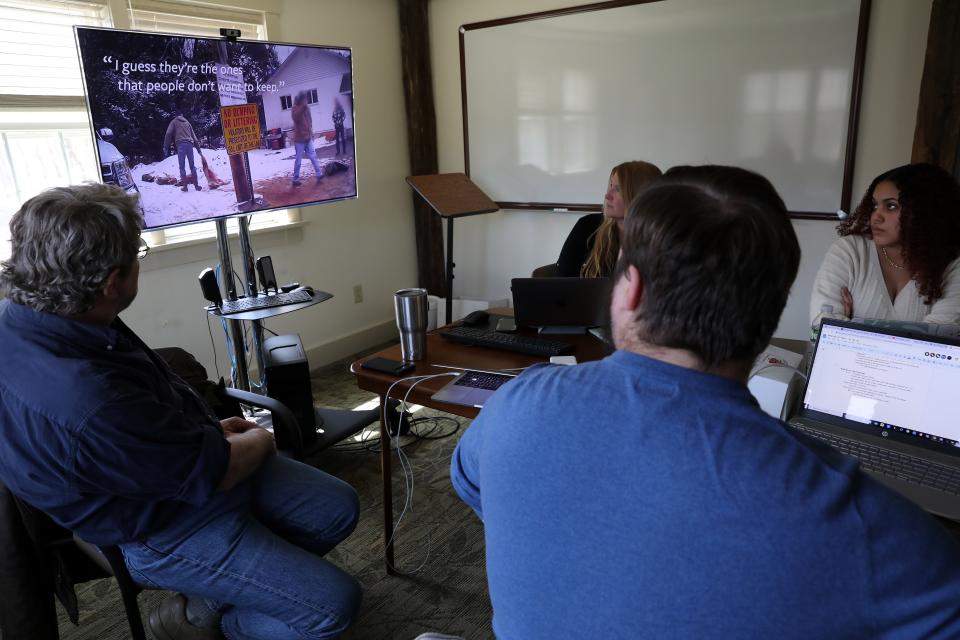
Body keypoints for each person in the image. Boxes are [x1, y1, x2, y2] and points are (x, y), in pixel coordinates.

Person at [450, 165, 960, 639]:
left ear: (627, 291)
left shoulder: (514, 406)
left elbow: (474, 486)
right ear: (774, 309)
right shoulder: (857, 521)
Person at [0, 184, 361, 640]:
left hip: (165, 463)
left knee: (335, 507)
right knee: (333, 608)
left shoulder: (48, 310)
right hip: (156, 526)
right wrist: (260, 437)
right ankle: (207, 623)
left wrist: (202, 429)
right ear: (113, 281)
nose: (139, 261)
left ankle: (212, 598)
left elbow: (149, 421)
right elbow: (219, 470)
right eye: (139, 253)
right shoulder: (90, 397)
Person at [810, 162, 960, 324]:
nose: (876, 216)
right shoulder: (850, 250)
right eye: (875, 205)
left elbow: (941, 339)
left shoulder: (951, 264)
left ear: (924, 211)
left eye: (891, 206)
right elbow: (821, 324)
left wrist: (851, 326)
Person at [554, 160, 661, 277]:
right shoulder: (587, 226)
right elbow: (563, 279)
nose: (607, 195)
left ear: (639, 195)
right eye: (610, 186)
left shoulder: (663, 236)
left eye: (618, 189)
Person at [163, 113, 203, 192]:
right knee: (192, 166)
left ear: (175, 116)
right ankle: (197, 186)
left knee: (182, 167)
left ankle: (185, 187)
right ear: (182, 116)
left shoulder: (174, 122)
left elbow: (168, 133)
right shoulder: (188, 123)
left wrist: (165, 146)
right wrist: (199, 150)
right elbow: (194, 137)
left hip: (181, 145)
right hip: (190, 145)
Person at [291, 91, 323, 187]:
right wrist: (303, 107)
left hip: (308, 138)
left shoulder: (307, 108)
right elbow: (296, 117)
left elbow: (309, 120)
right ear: (301, 100)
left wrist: (311, 132)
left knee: (313, 156)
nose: (306, 101)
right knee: (298, 160)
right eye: (304, 99)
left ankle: (319, 174)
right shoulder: (295, 108)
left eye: (306, 99)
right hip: (299, 140)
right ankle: (295, 179)